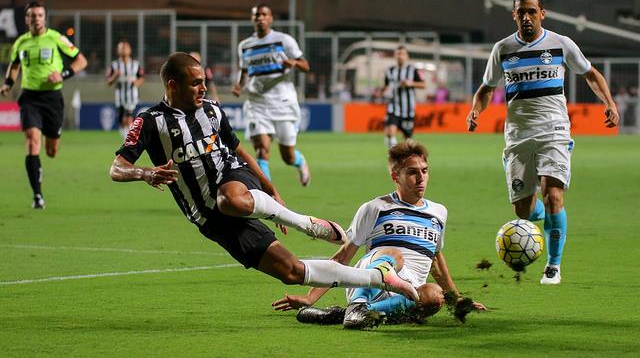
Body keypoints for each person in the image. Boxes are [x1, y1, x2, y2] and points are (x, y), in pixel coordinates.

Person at [109, 52, 420, 305]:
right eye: (195, 84)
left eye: (204, 82)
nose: (203, 89)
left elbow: (237, 149)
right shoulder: (149, 122)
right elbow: (117, 168)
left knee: (229, 198)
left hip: (232, 179)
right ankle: (380, 279)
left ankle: (302, 222)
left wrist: (271, 188)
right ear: (172, 85)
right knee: (292, 271)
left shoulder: (213, 111)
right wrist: (145, 172)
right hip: (210, 219)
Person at [466, 0, 619, 284]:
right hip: (518, 135)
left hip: (554, 131)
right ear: (514, 15)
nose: (526, 17)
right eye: (521, 12)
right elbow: (486, 89)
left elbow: (591, 74)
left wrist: (609, 103)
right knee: (523, 211)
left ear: (542, 14)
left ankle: (553, 265)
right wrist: (476, 111)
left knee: (554, 197)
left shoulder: (561, 44)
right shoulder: (502, 49)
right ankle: (541, 213)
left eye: (532, 11)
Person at [272, 140, 486, 329]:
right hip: (370, 282)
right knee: (394, 255)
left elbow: (436, 261)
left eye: (424, 170)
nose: (421, 177)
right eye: (412, 172)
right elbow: (343, 257)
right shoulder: (376, 207)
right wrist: (310, 297)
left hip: (408, 291)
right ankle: (357, 305)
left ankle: (352, 313)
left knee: (434, 296)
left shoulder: (438, 213)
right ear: (396, 176)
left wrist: (456, 300)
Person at [0, 1, 87, 209]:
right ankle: (37, 195)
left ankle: (47, 153)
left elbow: (81, 61)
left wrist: (63, 74)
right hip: (29, 98)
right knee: (32, 142)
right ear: (26, 19)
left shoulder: (56, 38)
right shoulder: (21, 43)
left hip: (52, 99)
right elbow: (14, 66)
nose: (36, 19)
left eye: (40, 15)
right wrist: (8, 83)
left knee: (51, 151)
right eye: (32, 15)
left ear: (44, 18)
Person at [232, 4, 311, 186]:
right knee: (261, 148)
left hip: (283, 103)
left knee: (287, 156)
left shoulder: (284, 40)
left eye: (264, 15)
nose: (260, 18)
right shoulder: (245, 46)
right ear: (252, 19)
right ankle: (268, 194)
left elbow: (305, 65)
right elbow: (244, 71)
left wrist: (292, 63)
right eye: (256, 15)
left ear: (271, 18)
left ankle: (300, 162)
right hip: (257, 102)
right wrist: (239, 85)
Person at [380, 46, 425, 148]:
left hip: (408, 110)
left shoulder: (413, 70)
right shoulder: (390, 71)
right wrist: (382, 92)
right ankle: (394, 156)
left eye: (402, 54)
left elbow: (423, 85)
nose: (400, 56)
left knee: (408, 141)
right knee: (390, 132)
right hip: (394, 107)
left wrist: (411, 83)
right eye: (398, 54)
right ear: (395, 56)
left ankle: (406, 157)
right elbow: (386, 86)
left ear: (407, 56)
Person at [106, 40, 145, 138]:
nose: (123, 49)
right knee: (121, 121)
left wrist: (136, 83)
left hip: (131, 96)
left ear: (130, 50)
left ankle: (128, 141)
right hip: (119, 97)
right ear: (117, 51)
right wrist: (115, 76)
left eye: (125, 47)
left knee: (127, 119)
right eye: (121, 47)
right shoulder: (114, 65)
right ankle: (127, 139)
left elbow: (141, 77)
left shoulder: (135, 64)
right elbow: (108, 82)